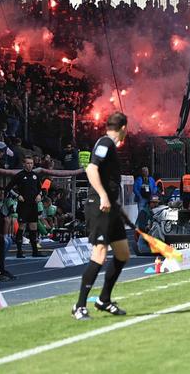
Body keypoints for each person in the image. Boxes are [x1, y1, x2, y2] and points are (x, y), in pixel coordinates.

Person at [72, 112, 130, 321]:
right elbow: (91, 168)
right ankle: (79, 306)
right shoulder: (105, 142)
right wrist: (104, 196)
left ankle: (104, 299)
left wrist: (116, 206)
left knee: (123, 253)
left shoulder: (110, 145)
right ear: (124, 127)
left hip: (110, 207)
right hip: (99, 206)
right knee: (100, 253)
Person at [5, 155, 42, 257]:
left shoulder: (35, 175)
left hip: (33, 204)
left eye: (31, 163)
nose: (30, 165)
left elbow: (40, 188)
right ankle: (19, 251)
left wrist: (39, 195)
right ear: (24, 164)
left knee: (33, 226)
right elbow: (8, 187)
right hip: (23, 204)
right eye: (28, 163)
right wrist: (17, 196)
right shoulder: (19, 175)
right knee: (22, 226)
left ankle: (35, 251)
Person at [0, 187, 14, 281]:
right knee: (3, 242)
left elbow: (3, 217)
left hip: (0, 232)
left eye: (2, 193)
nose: (1, 195)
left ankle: (1, 269)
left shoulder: (3, 203)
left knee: (7, 241)